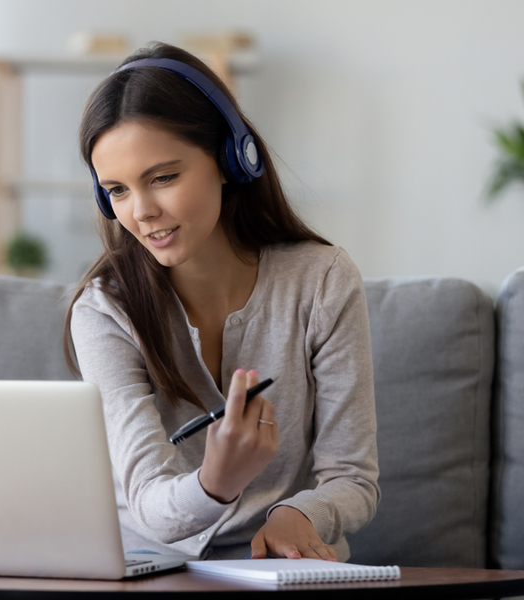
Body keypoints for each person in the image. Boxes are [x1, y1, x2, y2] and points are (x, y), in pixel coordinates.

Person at [64, 42, 379, 562]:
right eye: (117, 190)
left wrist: (301, 513)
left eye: (164, 177)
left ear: (234, 158)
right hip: (152, 568)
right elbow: (149, 503)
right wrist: (216, 480)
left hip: (282, 566)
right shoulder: (104, 311)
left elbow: (353, 478)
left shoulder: (323, 281)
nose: (141, 211)